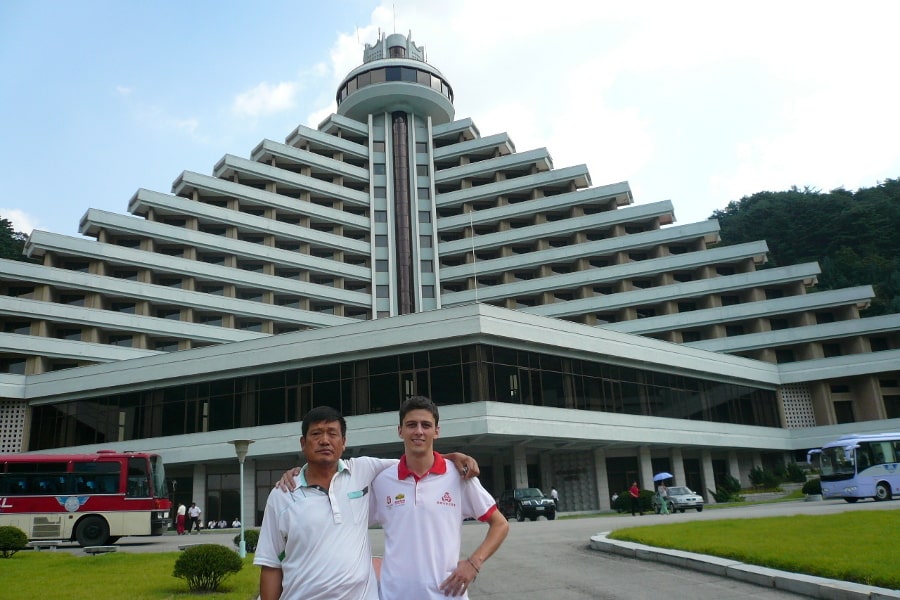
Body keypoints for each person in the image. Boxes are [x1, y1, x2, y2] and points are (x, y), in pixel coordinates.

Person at [257, 406, 480, 600]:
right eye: (316, 433)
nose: (325, 440)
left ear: (343, 443)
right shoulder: (283, 495)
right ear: (303, 443)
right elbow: (270, 565)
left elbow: (417, 460)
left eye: (332, 433)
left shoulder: (362, 469)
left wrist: (453, 457)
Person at [370, 396, 509, 599]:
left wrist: (474, 563)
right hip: (394, 595)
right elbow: (351, 526)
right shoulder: (382, 480)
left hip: (447, 595)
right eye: (411, 425)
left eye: (426, 425)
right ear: (400, 431)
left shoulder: (459, 476)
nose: (418, 431)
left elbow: (500, 524)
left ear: (436, 431)